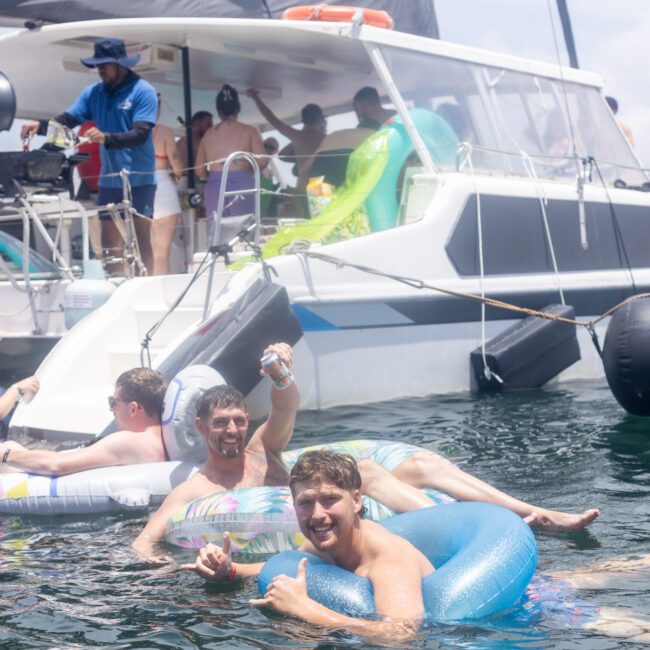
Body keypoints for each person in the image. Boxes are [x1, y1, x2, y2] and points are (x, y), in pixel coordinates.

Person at [183, 449, 433, 641]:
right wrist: (229, 570)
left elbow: (402, 635)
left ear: (356, 500)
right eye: (306, 503)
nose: (317, 515)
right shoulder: (325, 541)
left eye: (329, 499)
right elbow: (276, 564)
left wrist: (306, 610)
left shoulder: (391, 562)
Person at [131, 342, 298, 557]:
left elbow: (285, 407)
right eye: (220, 422)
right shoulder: (192, 491)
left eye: (239, 421)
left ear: (247, 421)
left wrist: (278, 370)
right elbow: (143, 543)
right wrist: (162, 567)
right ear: (201, 426)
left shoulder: (264, 450)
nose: (231, 430)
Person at [20, 38, 158, 275]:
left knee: (141, 237)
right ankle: (116, 288)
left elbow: (141, 134)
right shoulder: (93, 93)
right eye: (97, 65)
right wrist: (40, 126)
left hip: (140, 178)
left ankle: (146, 285)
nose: (100, 70)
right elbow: (67, 121)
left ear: (120, 64)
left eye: (104, 65)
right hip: (109, 179)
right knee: (109, 242)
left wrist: (107, 138)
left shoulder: (143, 91)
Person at [0, 368, 166, 475]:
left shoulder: (130, 441)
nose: (110, 409)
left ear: (133, 409)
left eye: (113, 402)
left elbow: (56, 465)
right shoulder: (168, 438)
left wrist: (7, 455)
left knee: (9, 447)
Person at [194, 85, 267, 241]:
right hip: (242, 183)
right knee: (244, 233)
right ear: (238, 108)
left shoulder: (208, 134)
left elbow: (199, 170)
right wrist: (247, 171)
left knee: (217, 233)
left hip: (215, 184)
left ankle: (219, 263)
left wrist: (214, 177)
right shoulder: (249, 131)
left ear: (218, 109)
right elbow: (262, 161)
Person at [246, 89, 327, 199]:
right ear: (321, 120)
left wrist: (255, 98)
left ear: (303, 121)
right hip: (322, 184)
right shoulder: (326, 139)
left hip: (303, 185)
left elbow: (271, 118)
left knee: (310, 216)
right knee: (326, 215)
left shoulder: (297, 136)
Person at [151, 93, 183, 275]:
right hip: (162, 187)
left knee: (142, 251)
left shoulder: (128, 130)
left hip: (138, 188)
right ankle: (159, 294)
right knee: (161, 254)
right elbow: (178, 167)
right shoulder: (164, 132)